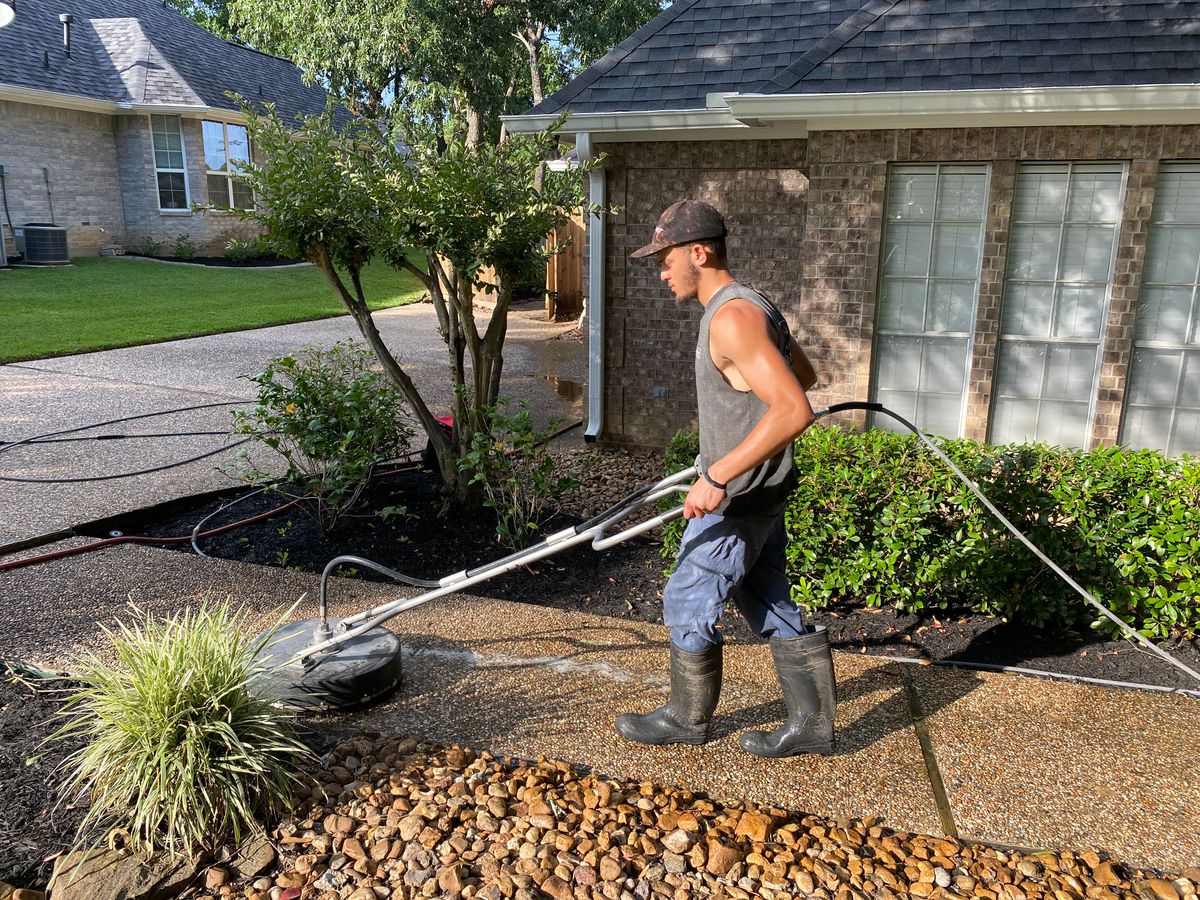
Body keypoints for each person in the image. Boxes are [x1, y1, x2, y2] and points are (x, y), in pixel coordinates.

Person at [615, 199, 837, 757]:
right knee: (768, 600)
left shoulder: (733, 316)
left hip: (738, 497)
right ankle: (812, 725)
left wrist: (717, 473)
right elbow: (805, 374)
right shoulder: (752, 307)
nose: (662, 272)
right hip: (760, 491)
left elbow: (793, 407)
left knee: (689, 596)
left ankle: (686, 719)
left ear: (699, 251)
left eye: (665, 259)